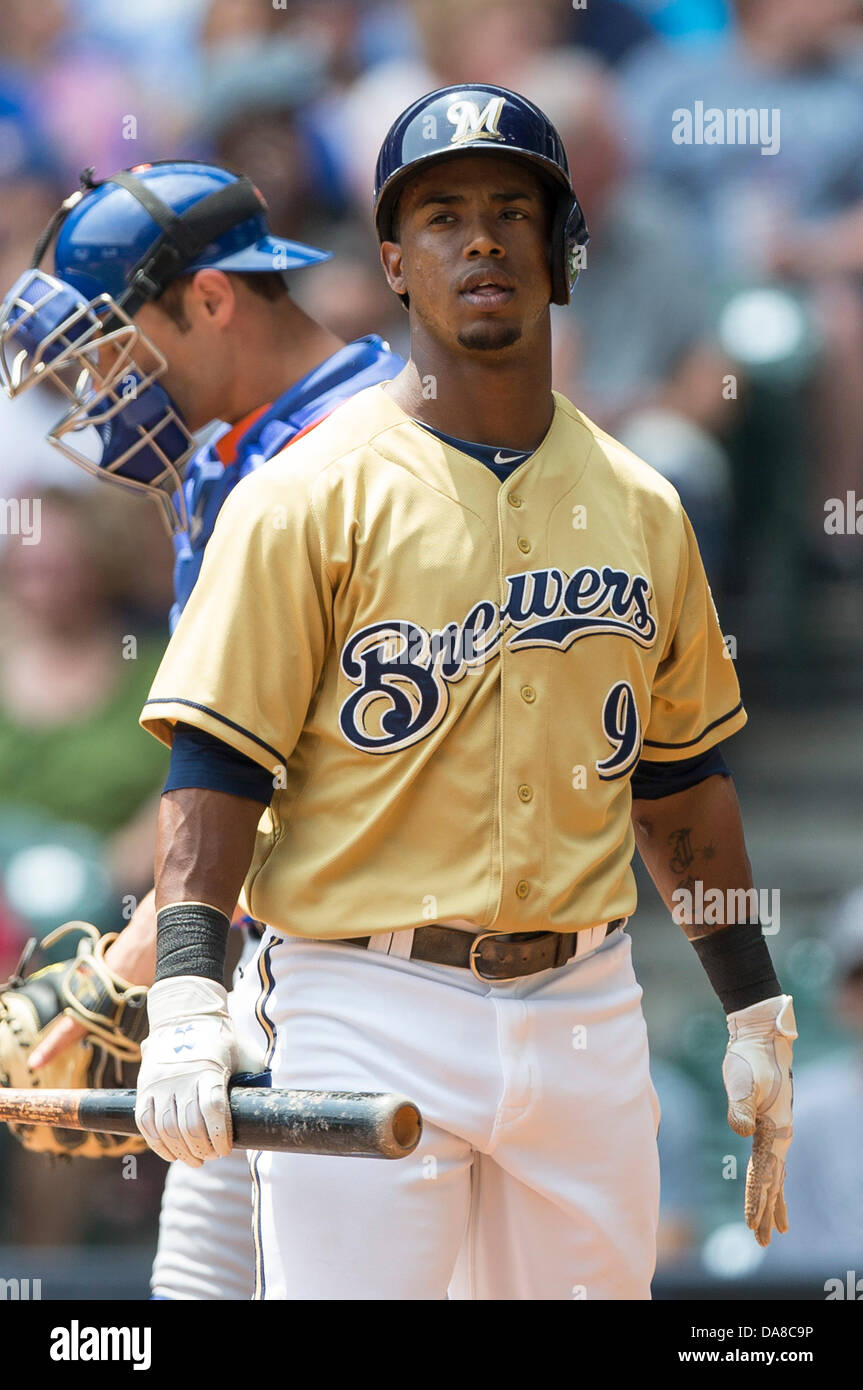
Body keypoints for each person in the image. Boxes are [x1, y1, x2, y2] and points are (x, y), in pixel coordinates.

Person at [133, 87, 796, 1301]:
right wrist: (185, 986)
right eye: (440, 216)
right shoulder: (303, 495)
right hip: (360, 990)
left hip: (585, 996)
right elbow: (216, 765)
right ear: (391, 259)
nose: (480, 240)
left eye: (510, 212)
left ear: (561, 252)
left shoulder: (645, 507)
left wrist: (751, 1005)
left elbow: (679, 785)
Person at [0, 158, 403, 1299]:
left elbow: (287, 771)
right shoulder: (231, 451)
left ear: (214, 300)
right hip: (261, 975)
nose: (94, 394)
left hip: (374, 987)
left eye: (111, 350)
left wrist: (131, 969)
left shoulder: (364, 452)